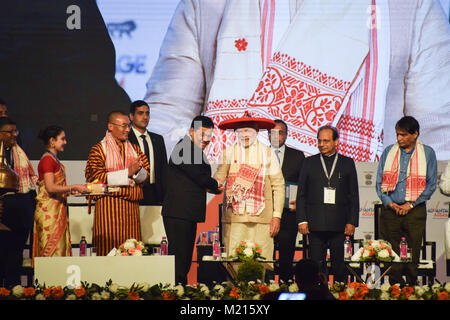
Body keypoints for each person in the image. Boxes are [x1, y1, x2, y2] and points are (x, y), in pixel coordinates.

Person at [144, 0, 450, 163]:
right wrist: (206, 181)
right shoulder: (208, 4)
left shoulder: (411, 6)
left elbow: (438, 138)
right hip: (225, 203)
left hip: (360, 208)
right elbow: (164, 121)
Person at [214, 112, 285, 270]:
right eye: (241, 131)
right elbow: (218, 179)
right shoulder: (228, 153)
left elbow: (278, 186)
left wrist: (276, 216)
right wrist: (210, 183)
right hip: (235, 218)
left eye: (249, 131)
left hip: (262, 219)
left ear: (256, 132)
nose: (245, 135)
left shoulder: (268, 153)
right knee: (234, 262)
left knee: (261, 264)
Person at [376, 116, 437, 286]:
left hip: (414, 209)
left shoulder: (428, 153)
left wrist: (409, 205)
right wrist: (390, 203)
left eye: (403, 135)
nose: (399, 138)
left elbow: (431, 184)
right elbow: (379, 183)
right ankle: (395, 287)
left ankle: (412, 288)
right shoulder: (389, 151)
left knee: (413, 250)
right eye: (397, 134)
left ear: (415, 134)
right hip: (391, 209)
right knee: (390, 251)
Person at [162, 115, 223, 285]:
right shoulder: (184, 148)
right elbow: (199, 176)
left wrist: (211, 186)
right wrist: (215, 185)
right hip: (178, 213)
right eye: (202, 134)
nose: (206, 140)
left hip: (186, 213)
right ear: (191, 131)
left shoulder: (193, 150)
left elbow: (197, 178)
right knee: (179, 258)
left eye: (209, 136)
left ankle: (179, 289)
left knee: (185, 257)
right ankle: (175, 291)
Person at [296, 125, 359, 283]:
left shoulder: (347, 163)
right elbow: (301, 194)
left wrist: (352, 221)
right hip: (315, 225)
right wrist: (302, 220)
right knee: (316, 266)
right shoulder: (309, 162)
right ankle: (317, 293)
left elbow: (353, 195)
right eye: (319, 141)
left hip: (340, 225)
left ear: (336, 141)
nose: (321, 144)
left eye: (326, 141)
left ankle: (340, 293)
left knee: (339, 265)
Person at [85, 111, 150, 256]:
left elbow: (146, 175)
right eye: (124, 126)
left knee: (131, 249)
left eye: (128, 126)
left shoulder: (135, 149)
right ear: (110, 126)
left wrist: (136, 172)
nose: (128, 129)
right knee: (108, 250)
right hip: (108, 207)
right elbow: (97, 177)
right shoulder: (98, 150)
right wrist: (128, 172)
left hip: (131, 209)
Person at [32, 126, 89, 261]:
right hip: (49, 213)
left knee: (59, 250)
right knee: (51, 253)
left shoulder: (53, 159)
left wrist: (74, 190)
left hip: (56, 210)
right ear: (52, 141)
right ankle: (49, 282)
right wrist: (73, 186)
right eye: (62, 139)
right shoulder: (47, 160)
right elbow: (50, 188)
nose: (65, 142)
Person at [0, 117, 37, 287]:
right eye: (10, 131)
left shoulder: (19, 152)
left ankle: (13, 290)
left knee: (15, 256)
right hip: (3, 212)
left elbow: (29, 182)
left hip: (20, 213)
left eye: (16, 131)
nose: (14, 135)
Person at [268, 119, 305, 282]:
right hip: (265, 214)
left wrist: (298, 201)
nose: (276, 136)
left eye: (280, 132)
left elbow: (303, 184)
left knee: (286, 256)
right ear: (268, 135)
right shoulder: (261, 154)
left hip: (288, 215)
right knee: (264, 255)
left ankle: (285, 288)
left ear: (287, 135)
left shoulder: (298, 156)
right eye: (272, 132)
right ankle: (263, 289)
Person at [128, 100, 168, 205]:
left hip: (156, 192)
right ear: (131, 116)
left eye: (147, 113)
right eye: (140, 113)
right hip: (133, 191)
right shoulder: (126, 139)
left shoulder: (158, 139)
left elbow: (164, 168)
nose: (145, 117)